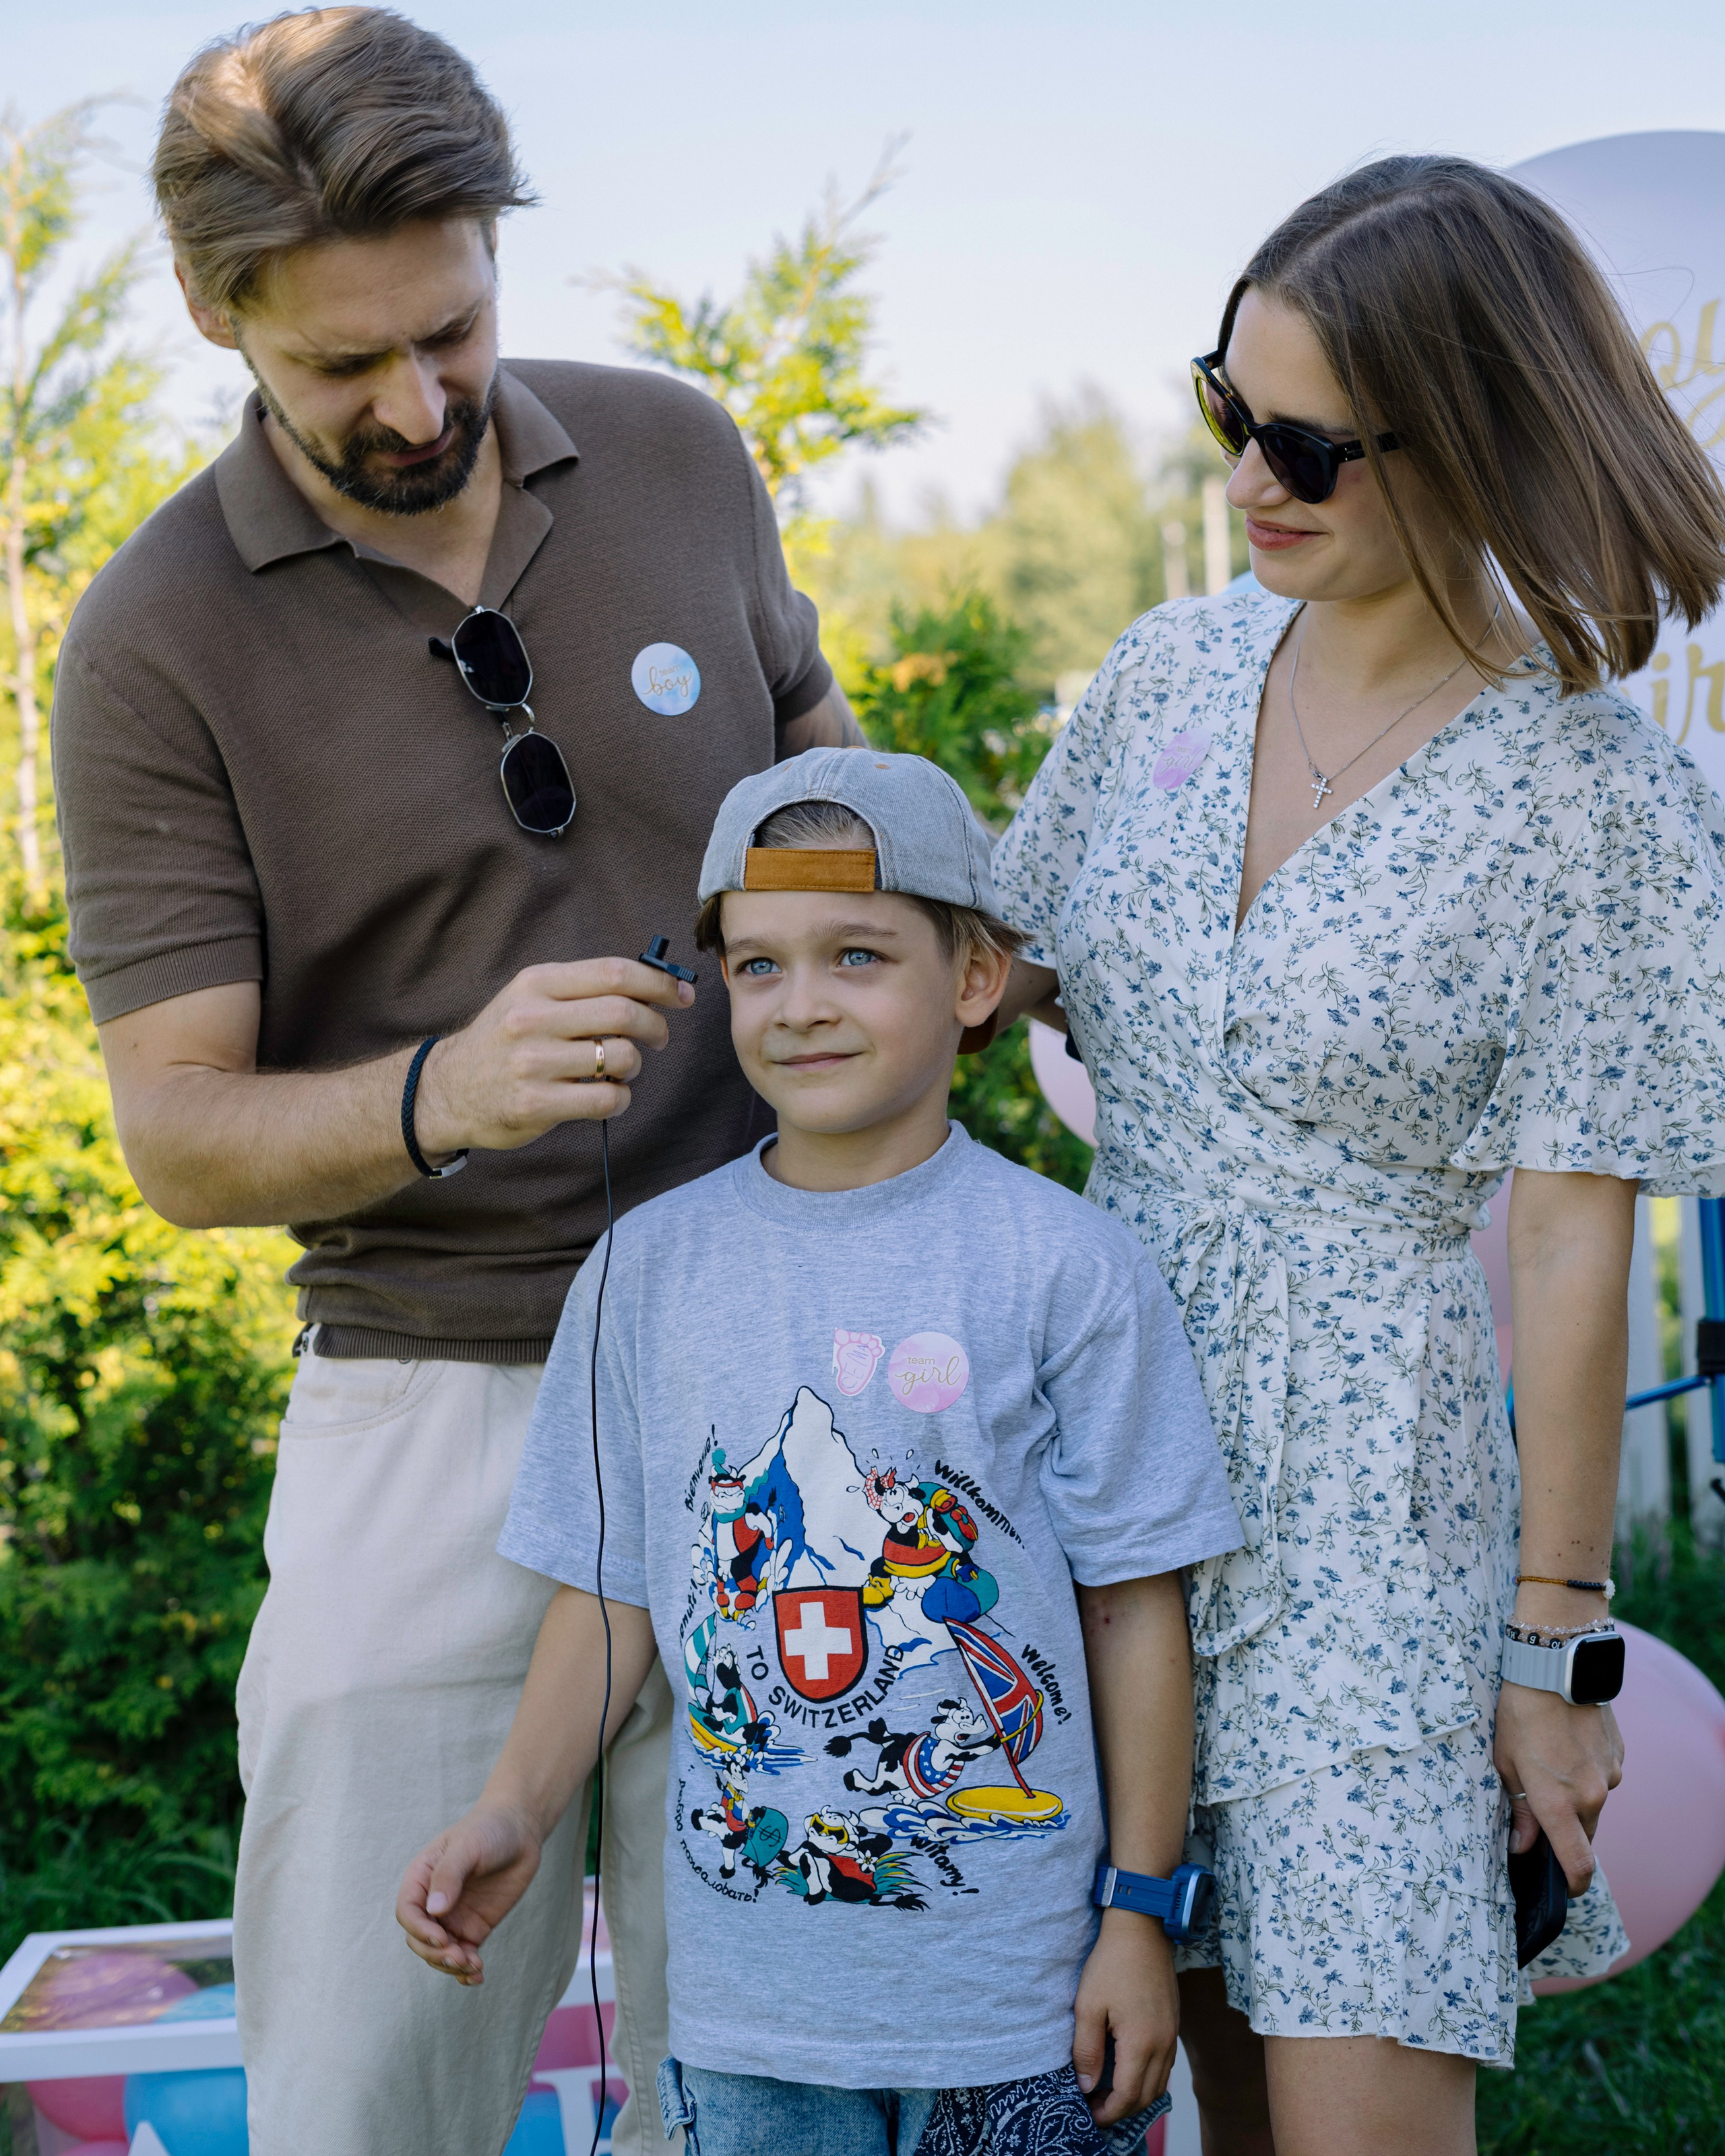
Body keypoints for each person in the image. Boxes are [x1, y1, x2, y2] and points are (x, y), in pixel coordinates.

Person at [49, 11, 866, 2155]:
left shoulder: (683, 455)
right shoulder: (149, 646)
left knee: (773, 2099)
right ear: (216, 312)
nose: (417, 405)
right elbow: (178, 1135)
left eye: (453, 328)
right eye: (342, 368)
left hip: (783, 1392)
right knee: (366, 2103)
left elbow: (844, 825)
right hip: (431, 1419)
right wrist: (444, 1093)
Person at [988, 154, 1725, 2156]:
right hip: (1091, 1462)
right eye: (1230, 412)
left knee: (1353, 2079)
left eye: (1308, 440)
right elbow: (1010, 962)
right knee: (1167, 2080)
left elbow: (1580, 1247)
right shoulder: (1163, 675)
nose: (1252, 478)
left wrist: (1553, 1647)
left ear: (1471, 430)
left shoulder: (1593, 795)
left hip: (1365, 1515)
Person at [396, 749, 1245, 2154]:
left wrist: (1140, 1914)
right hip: (749, 2032)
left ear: (974, 980)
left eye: (857, 955)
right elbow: (611, 1594)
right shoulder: (643, 1271)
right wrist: (513, 1808)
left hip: (1023, 2019)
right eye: (759, 965)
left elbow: (1130, 1607)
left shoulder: (1067, 1267)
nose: (802, 1006)